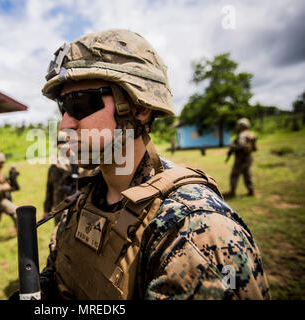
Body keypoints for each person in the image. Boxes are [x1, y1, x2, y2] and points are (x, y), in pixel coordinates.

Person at [38, 29, 270, 300]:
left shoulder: (195, 231)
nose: (65, 123)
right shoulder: (83, 201)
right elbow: (59, 277)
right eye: (63, 106)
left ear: (138, 108)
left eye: (79, 103)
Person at [43, 132, 88, 225]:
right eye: (61, 147)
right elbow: (49, 188)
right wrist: (46, 209)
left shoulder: (81, 163)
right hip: (59, 208)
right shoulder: (54, 166)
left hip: (78, 208)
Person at [225, 118, 257, 198]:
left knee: (234, 175)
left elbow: (240, 146)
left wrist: (232, 145)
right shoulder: (250, 134)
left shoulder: (242, 135)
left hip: (241, 159)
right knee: (247, 174)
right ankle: (251, 191)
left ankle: (232, 191)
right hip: (248, 158)